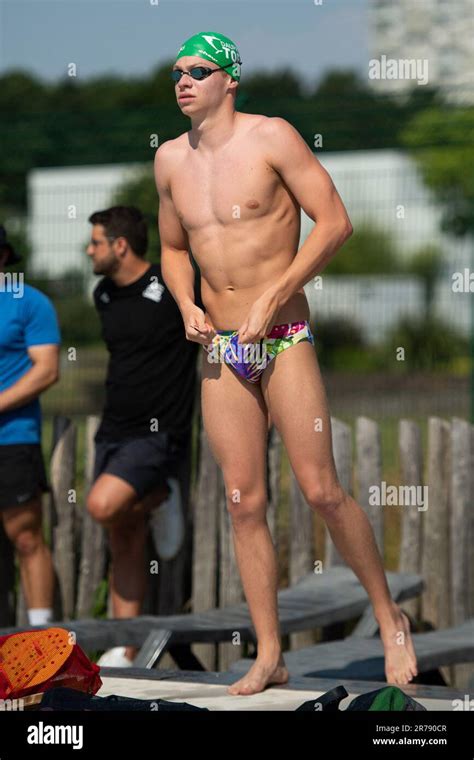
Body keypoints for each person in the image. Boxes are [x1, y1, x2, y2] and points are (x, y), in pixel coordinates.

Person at [154, 31, 419, 695]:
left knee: (322, 489)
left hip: (284, 334)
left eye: (198, 70)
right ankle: (270, 653)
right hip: (221, 346)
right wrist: (185, 302)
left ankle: (390, 619)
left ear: (229, 80)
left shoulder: (273, 136)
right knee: (244, 501)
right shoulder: (168, 161)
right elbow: (173, 248)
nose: (184, 81)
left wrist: (275, 291)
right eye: (177, 72)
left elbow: (334, 222)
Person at [85, 206, 199, 667]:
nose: (88, 250)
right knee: (123, 536)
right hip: (113, 429)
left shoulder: (171, 283)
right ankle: (125, 645)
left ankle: (160, 492)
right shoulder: (103, 296)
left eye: (94, 242)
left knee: (101, 505)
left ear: (119, 245)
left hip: (158, 432)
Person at [0, 224, 60, 627]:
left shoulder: (28, 301)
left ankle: (41, 643)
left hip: (13, 438)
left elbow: (47, 369)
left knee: (26, 538)